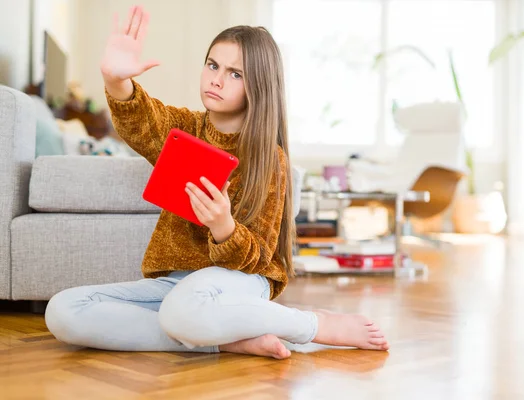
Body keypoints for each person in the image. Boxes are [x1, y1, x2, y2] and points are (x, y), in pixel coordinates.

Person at [44, 5, 389, 359]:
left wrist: (223, 226)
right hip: (175, 286)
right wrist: (116, 81)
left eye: (235, 73)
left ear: (259, 84)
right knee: (64, 310)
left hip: (236, 283)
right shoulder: (184, 129)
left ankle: (311, 325)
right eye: (212, 65)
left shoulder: (270, 159)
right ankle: (224, 340)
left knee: (181, 310)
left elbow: (259, 261)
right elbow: (141, 119)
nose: (217, 79)